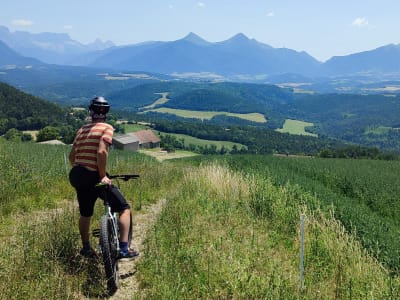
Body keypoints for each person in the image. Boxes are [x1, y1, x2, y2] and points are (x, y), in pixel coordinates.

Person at [68, 96, 139, 259]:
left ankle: (86, 248)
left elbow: (72, 156)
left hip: (77, 175)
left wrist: (82, 168)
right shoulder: (106, 128)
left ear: (90, 111)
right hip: (94, 175)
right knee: (124, 208)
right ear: (106, 112)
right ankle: (124, 249)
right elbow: (101, 151)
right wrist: (101, 176)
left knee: (85, 213)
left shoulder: (82, 130)